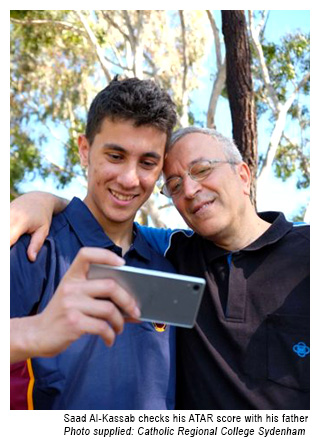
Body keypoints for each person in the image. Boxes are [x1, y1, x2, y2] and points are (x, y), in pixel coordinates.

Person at [11, 126, 310, 410]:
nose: (190, 190)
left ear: (243, 175)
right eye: (175, 185)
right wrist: (42, 201)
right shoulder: (171, 256)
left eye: (202, 169)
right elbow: (104, 223)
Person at [10, 76, 177, 410]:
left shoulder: (169, 261)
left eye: (147, 162)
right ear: (84, 150)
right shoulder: (32, 247)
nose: (130, 179)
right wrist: (34, 331)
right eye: (115, 156)